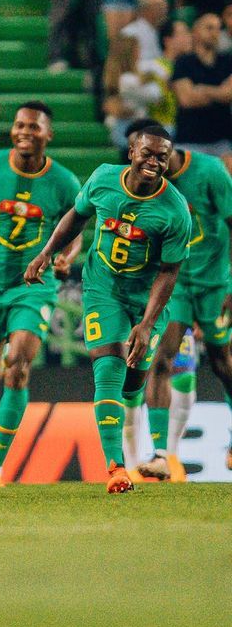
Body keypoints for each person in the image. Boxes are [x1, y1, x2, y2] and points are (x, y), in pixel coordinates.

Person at [25, 123, 191, 494]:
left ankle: (138, 426)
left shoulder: (175, 211)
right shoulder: (103, 179)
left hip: (146, 298)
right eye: (147, 153)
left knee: (134, 382)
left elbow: (168, 272)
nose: (153, 162)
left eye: (161, 157)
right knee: (109, 368)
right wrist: (47, 252)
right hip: (102, 288)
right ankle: (116, 467)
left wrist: (147, 325)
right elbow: (76, 215)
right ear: (132, 151)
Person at [0, 102, 82, 488]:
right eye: (19, 125)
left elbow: (76, 229)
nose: (25, 131)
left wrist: (66, 257)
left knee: (19, 365)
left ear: (48, 135)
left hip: (34, 286)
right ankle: (3, 355)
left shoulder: (64, 182)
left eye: (34, 127)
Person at [112, 128, 232, 482]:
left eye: (153, 154)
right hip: (177, 282)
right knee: (161, 357)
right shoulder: (149, 187)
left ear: (167, 149)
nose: (146, 162)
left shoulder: (209, 172)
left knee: (222, 362)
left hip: (215, 283)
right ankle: (162, 454)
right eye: (140, 154)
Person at [171, 13, 232, 156]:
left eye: (218, 28)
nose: (215, 33)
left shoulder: (228, 61)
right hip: (189, 140)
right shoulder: (183, 63)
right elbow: (186, 100)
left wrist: (202, 89)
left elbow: (228, 95)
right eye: (209, 28)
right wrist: (219, 93)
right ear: (196, 31)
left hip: (221, 141)